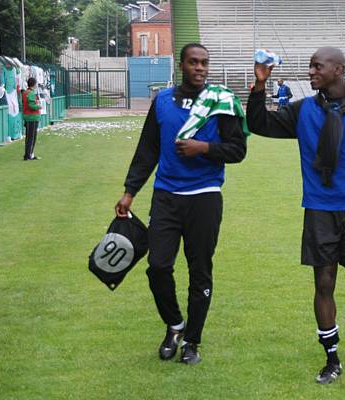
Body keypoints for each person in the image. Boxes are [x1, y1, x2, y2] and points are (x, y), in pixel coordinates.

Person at [247, 47, 345, 384]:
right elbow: (259, 124)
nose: (311, 72)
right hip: (319, 211)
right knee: (323, 283)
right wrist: (260, 85)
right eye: (310, 67)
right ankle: (332, 358)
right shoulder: (304, 110)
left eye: (317, 66)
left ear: (338, 69)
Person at [115, 43, 247, 365]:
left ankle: (192, 341)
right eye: (193, 62)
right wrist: (130, 191)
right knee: (158, 266)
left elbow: (237, 150)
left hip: (205, 198)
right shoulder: (162, 101)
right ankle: (175, 325)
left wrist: (203, 148)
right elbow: (148, 150)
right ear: (181, 65)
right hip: (167, 197)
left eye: (204, 63)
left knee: (199, 270)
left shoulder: (222, 102)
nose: (200, 68)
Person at [22, 77, 41, 160]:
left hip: (28, 116)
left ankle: (30, 154)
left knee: (29, 137)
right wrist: (39, 106)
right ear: (34, 84)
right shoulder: (31, 93)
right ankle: (28, 155)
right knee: (31, 137)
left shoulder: (25, 92)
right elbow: (31, 105)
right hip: (32, 117)